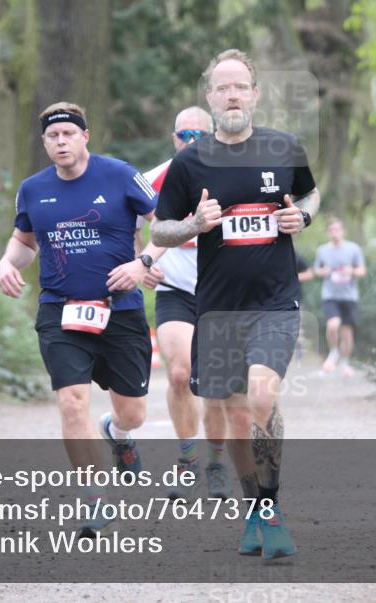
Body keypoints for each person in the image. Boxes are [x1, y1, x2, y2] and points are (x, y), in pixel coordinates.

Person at [151, 49, 321, 561]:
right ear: (210, 97)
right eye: (221, 87)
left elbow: (310, 196)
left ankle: (269, 510)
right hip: (218, 309)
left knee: (262, 400)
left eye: (239, 86)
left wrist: (302, 219)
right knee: (237, 416)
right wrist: (194, 225)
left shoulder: (283, 148)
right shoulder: (190, 162)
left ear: (255, 93)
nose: (231, 95)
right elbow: (160, 228)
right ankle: (257, 508)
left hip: (274, 301)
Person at [0, 101, 162, 538]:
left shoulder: (121, 174)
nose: (61, 141)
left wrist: (142, 262)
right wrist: (6, 263)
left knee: (134, 413)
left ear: (85, 136)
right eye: (52, 136)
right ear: (45, 143)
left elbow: (163, 225)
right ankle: (93, 500)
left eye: (69, 133)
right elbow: (25, 242)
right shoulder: (32, 189)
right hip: (60, 309)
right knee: (71, 401)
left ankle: (119, 434)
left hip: (120, 310)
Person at [138, 106, 231, 500]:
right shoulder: (152, 178)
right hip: (174, 287)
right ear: (174, 138)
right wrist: (141, 263)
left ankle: (216, 462)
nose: (190, 143)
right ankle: (188, 458)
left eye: (199, 136)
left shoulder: (232, 173)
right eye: (183, 136)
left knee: (215, 383)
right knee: (179, 374)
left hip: (221, 289)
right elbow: (123, 223)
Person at [313, 218, 365, 377]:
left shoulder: (353, 249)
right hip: (330, 295)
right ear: (328, 232)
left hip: (349, 296)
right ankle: (333, 352)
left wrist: (352, 271)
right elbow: (316, 270)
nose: (335, 233)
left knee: (347, 333)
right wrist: (324, 272)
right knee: (333, 325)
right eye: (332, 230)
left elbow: (362, 271)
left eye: (337, 229)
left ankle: (345, 363)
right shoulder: (322, 250)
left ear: (343, 231)